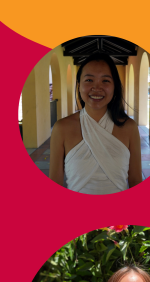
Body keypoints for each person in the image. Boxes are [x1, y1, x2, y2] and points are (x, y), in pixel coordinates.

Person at [49, 53, 142, 194]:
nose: (96, 88)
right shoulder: (61, 128)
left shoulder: (130, 128)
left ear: (115, 87)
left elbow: (136, 181)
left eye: (105, 81)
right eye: (89, 80)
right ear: (79, 86)